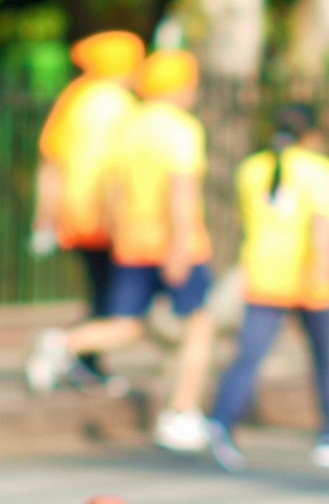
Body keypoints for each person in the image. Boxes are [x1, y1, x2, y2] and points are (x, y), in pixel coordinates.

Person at [48, 47, 220, 448]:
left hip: (132, 243)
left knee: (127, 323)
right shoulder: (181, 129)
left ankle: (62, 344)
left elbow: (113, 189)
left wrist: (119, 231)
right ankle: (181, 411)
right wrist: (180, 247)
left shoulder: (130, 125)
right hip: (176, 243)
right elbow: (181, 195)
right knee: (199, 326)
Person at [207, 103, 329, 472]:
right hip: (310, 277)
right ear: (311, 134)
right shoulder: (320, 170)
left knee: (249, 356)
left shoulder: (251, 169)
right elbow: (323, 231)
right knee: (325, 360)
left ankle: (222, 420)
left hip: (265, 274)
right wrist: (326, 273)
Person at [25, 30, 143, 393]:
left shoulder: (74, 99)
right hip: (108, 217)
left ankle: (84, 362)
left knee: (100, 291)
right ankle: (73, 353)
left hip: (75, 215)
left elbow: (51, 162)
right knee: (111, 298)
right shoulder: (121, 104)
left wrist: (45, 216)